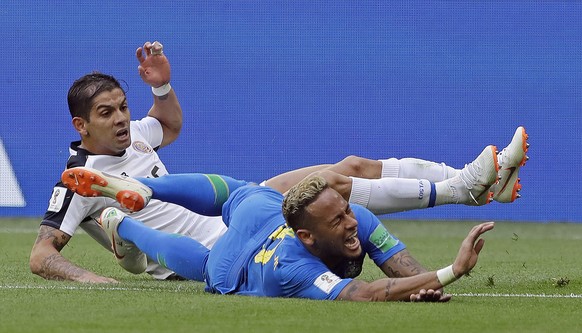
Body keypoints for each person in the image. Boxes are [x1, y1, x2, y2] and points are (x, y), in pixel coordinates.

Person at [61, 166, 496, 302]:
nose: (351, 224)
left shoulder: (355, 217)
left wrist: (422, 287)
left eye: (346, 213)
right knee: (204, 265)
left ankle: (146, 190)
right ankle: (127, 225)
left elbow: (400, 270)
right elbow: (364, 294)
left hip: (261, 209)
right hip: (241, 260)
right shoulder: (293, 269)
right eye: (338, 221)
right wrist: (450, 271)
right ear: (307, 237)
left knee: (241, 192)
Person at [29, 41, 229, 282]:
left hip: (229, 227)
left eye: (123, 107)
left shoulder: (136, 133)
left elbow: (170, 126)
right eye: (106, 113)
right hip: (206, 258)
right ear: (81, 125)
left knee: (279, 188)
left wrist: (161, 87)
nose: (121, 118)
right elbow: (40, 256)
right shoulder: (79, 180)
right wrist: (92, 280)